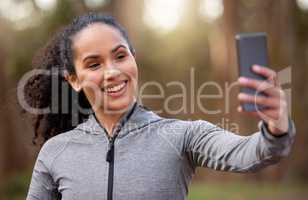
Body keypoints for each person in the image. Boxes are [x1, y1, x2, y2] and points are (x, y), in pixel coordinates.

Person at [25, 12, 295, 200]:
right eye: (94, 64)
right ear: (73, 79)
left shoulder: (183, 136)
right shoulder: (55, 152)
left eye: (120, 56)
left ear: (134, 58)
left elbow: (253, 153)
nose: (112, 72)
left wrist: (276, 125)